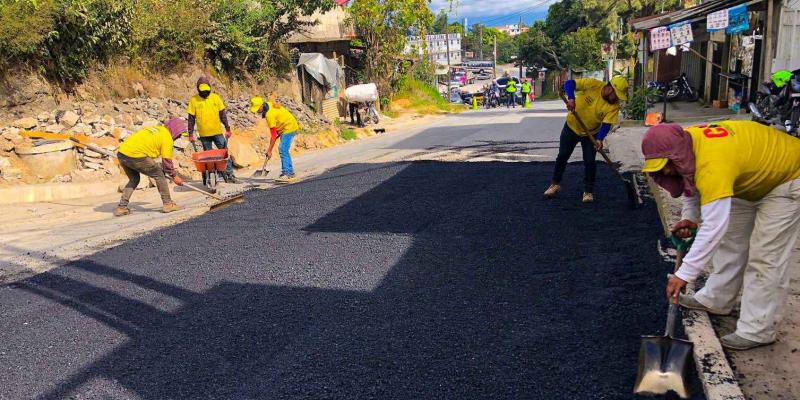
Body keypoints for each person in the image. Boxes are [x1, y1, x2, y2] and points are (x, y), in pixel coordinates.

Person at [642, 121, 800, 350]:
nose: (665, 171)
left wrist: (684, 274)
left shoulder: (713, 164)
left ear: (676, 156)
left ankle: (758, 329)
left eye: (666, 165)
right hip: (747, 177)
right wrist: (689, 217)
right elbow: (691, 184)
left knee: (766, 256)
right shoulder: (688, 148)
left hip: (788, 178)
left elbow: (713, 226)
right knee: (731, 243)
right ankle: (716, 299)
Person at [543, 76, 628, 203]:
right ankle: (554, 184)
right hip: (571, 127)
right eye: (616, 95)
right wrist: (571, 99)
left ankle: (588, 192)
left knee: (589, 162)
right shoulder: (593, 84)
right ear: (610, 89)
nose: (617, 99)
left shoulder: (614, 106)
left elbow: (606, 124)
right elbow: (570, 83)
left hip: (591, 134)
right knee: (562, 156)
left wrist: (599, 139)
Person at [114, 118, 186, 216]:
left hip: (122, 153)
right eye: (179, 134)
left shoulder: (156, 129)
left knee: (134, 179)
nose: (178, 137)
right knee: (159, 175)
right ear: (175, 130)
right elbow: (167, 162)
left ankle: (122, 207)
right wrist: (174, 176)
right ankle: (168, 204)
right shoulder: (167, 138)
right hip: (136, 155)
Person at [187, 76, 236, 183]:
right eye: (202, 91)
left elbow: (222, 115)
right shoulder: (193, 100)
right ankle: (213, 176)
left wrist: (227, 128)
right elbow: (191, 119)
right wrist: (190, 134)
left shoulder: (216, 98)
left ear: (209, 88)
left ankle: (230, 174)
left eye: (206, 90)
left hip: (217, 132)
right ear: (198, 89)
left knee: (224, 154)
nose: (205, 93)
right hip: (204, 134)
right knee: (208, 159)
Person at [249, 96, 300, 182]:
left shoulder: (269, 115)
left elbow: (273, 135)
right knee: (283, 149)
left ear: (261, 106)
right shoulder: (268, 104)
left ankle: (288, 173)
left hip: (289, 127)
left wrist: (269, 150)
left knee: (283, 149)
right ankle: (289, 172)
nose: (257, 111)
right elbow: (276, 129)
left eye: (258, 109)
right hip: (286, 126)